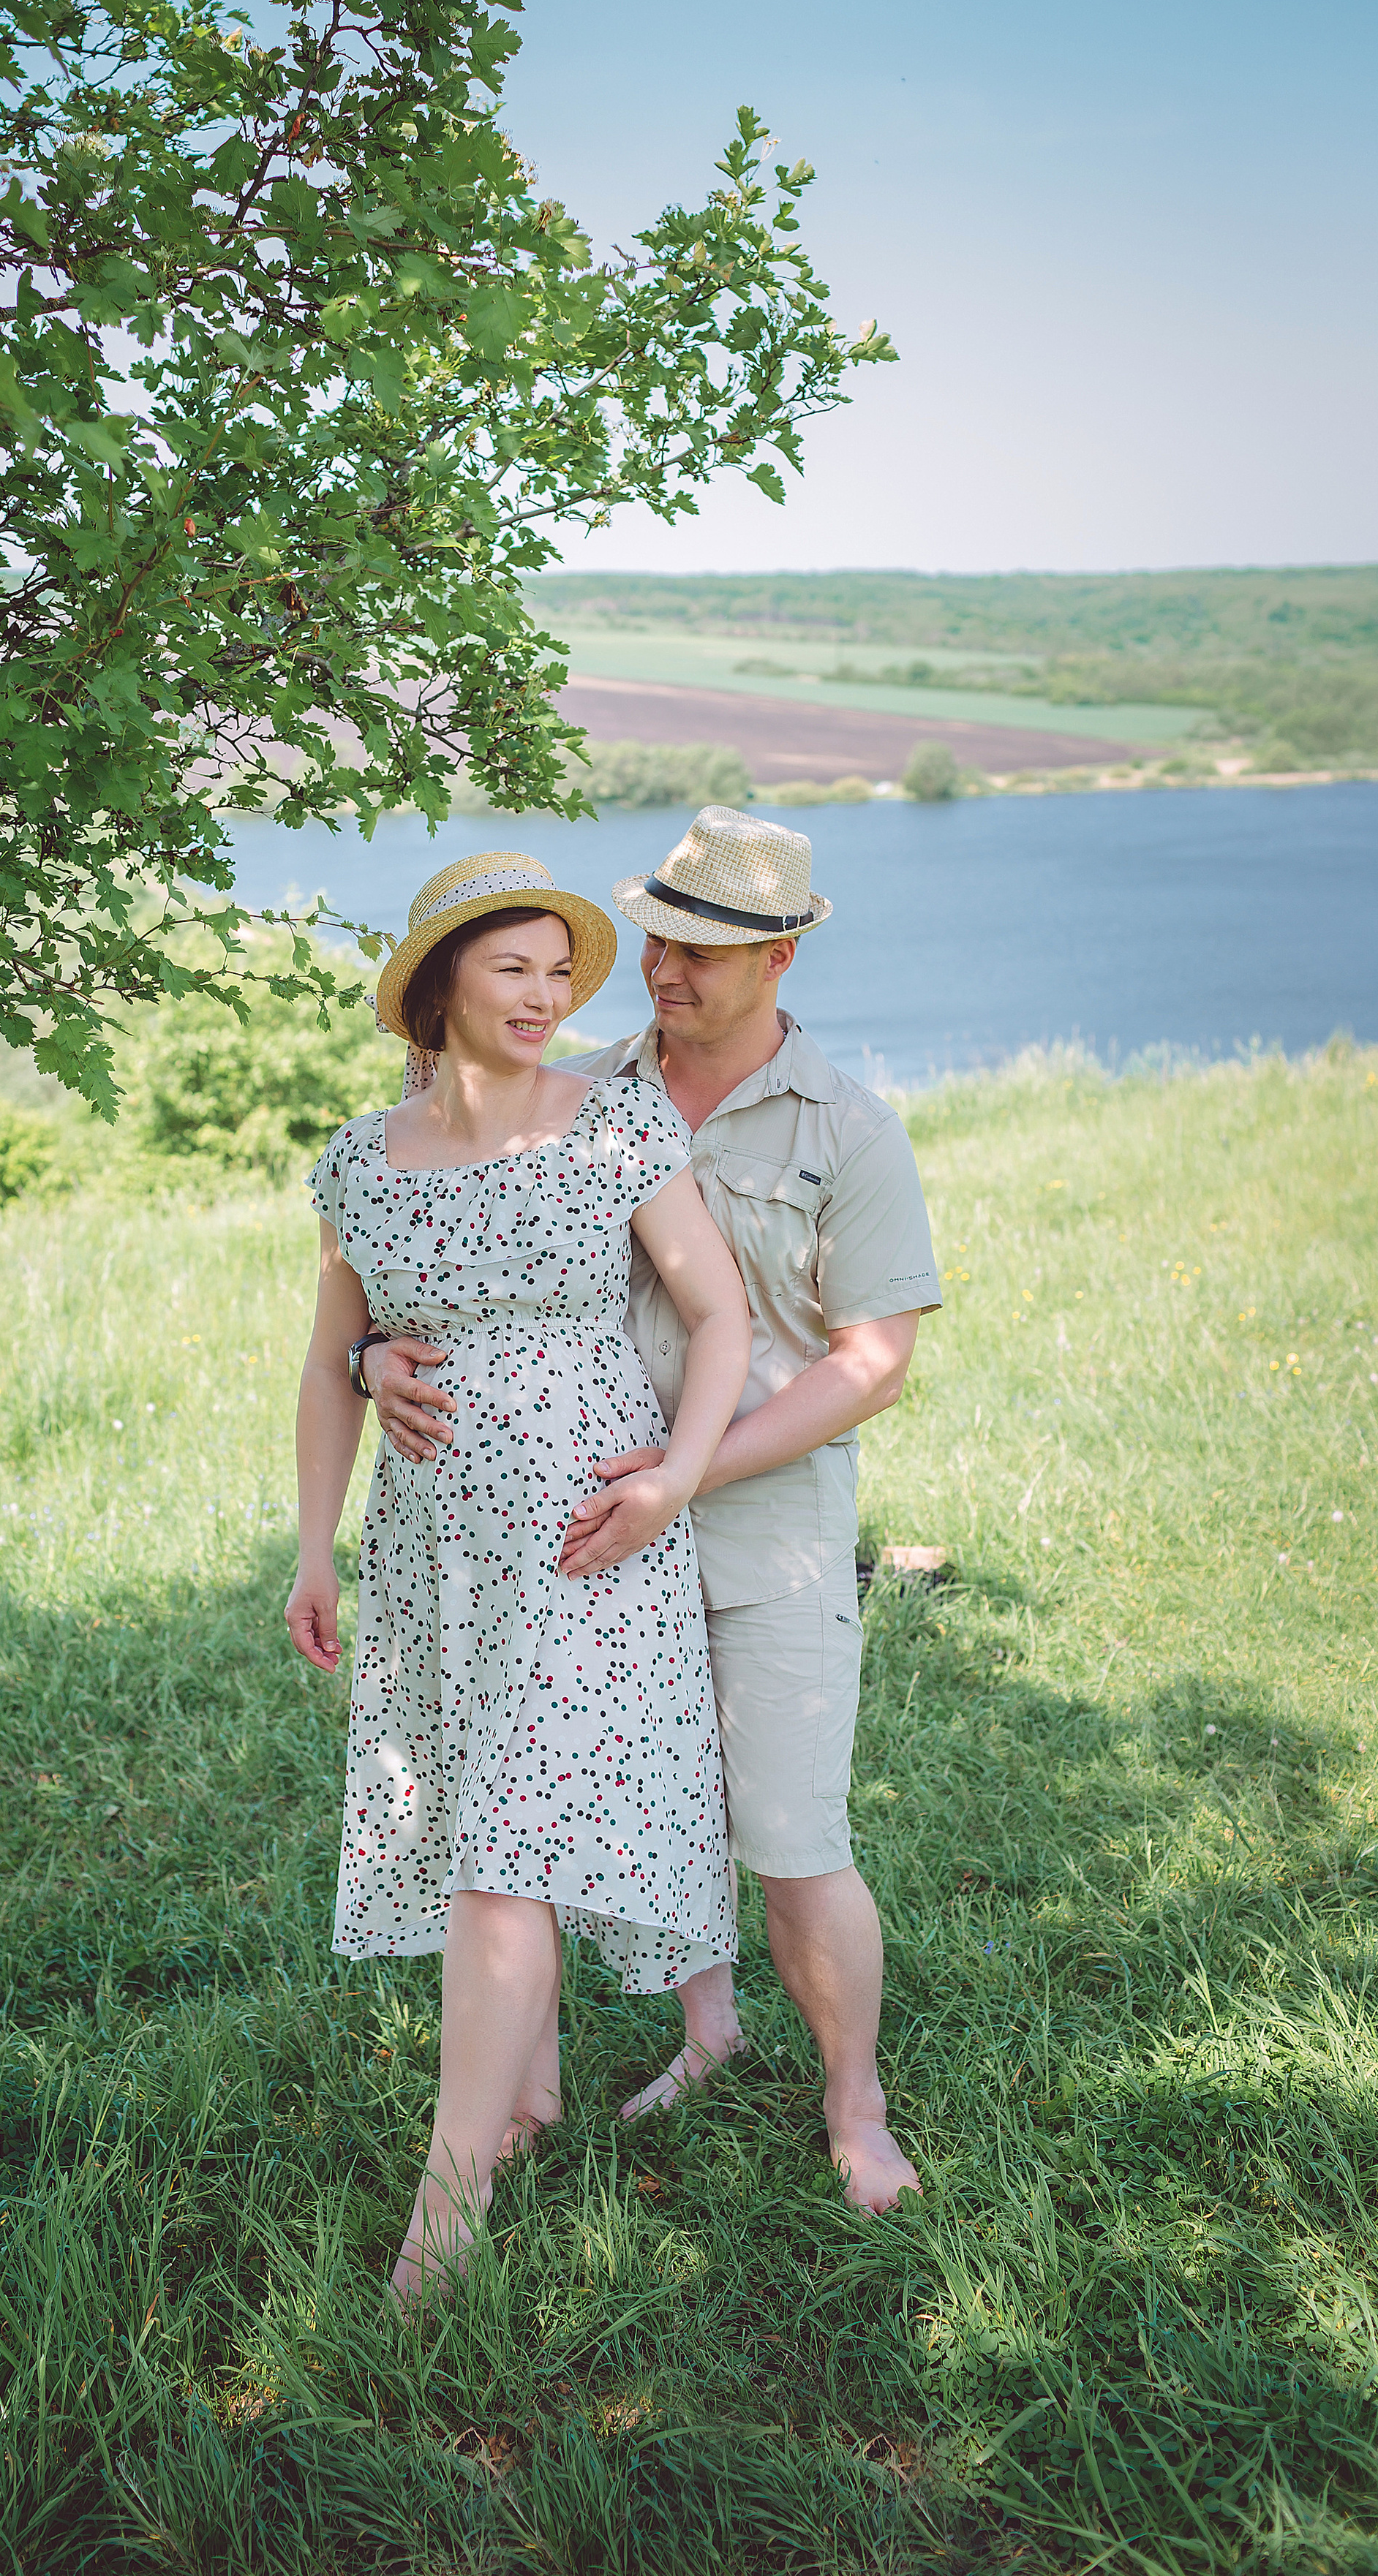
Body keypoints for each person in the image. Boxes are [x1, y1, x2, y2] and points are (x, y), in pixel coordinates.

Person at [362, 807, 943, 2214]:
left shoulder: (848, 1131)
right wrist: (377, 1356)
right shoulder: (578, 1087)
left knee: (791, 1837)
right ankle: (703, 2033)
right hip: (571, 1530)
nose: (661, 971)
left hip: (758, 1525)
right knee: (603, 1807)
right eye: (657, 942)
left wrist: (688, 1471)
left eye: (699, 953)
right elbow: (443, 1252)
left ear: (781, 959)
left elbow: (874, 1361)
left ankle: (855, 2107)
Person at [285, 850, 752, 2304]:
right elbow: (330, 1359)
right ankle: (528, 2093)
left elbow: (719, 1315)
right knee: (474, 1810)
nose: (546, 996)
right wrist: (315, 1545)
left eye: (560, 973)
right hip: (433, 1550)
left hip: (587, 1540)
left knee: (505, 1850)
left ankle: (448, 2203)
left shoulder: (611, 1127)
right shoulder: (360, 1161)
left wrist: (674, 1477)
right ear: (441, 985)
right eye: (514, 969)